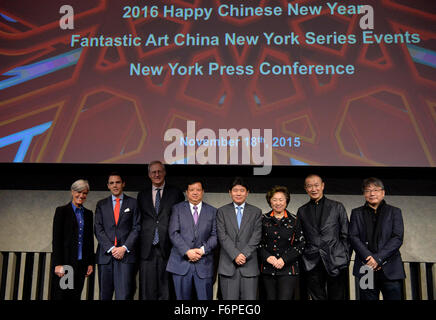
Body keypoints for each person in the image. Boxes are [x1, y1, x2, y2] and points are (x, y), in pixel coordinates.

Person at [350, 177, 405, 300]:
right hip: (366, 268)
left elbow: (397, 238)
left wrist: (378, 258)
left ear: (383, 192)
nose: (372, 193)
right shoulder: (356, 213)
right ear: (364, 194)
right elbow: (353, 237)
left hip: (390, 269)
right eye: (368, 190)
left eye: (375, 190)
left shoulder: (394, 212)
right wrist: (369, 258)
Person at [297, 174, 350, 300]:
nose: (313, 189)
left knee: (337, 297)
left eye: (316, 185)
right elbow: (300, 237)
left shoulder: (337, 206)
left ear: (322, 186)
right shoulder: (302, 211)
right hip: (311, 262)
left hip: (335, 260)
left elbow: (346, 235)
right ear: (305, 188)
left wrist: (344, 257)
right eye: (310, 186)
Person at [137, 160, 185, 300]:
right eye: (153, 172)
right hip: (147, 249)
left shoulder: (175, 193)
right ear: (149, 175)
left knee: (167, 291)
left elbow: (181, 220)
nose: (157, 174)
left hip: (168, 249)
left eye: (159, 171)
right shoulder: (142, 195)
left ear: (164, 173)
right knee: (147, 291)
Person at [166, 180, 217, 300]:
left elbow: (215, 235)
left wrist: (202, 250)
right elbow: (173, 233)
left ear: (203, 192)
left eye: (198, 190)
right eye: (192, 190)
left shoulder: (213, 211)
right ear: (186, 192)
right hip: (181, 264)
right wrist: (187, 251)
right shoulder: (177, 209)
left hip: (203, 264)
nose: (195, 193)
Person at [94, 173, 140, 300]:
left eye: (118, 182)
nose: (115, 185)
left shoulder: (133, 203)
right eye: (112, 183)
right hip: (106, 256)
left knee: (124, 295)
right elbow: (98, 229)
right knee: (105, 295)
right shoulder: (101, 204)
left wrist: (124, 248)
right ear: (108, 186)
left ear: (123, 184)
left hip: (125, 256)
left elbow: (137, 228)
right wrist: (111, 248)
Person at [216, 177, 262, 300]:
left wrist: (244, 255)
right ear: (230, 192)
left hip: (249, 265)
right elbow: (222, 236)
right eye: (235, 190)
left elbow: (256, 236)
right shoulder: (221, 212)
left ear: (247, 192)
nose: (238, 193)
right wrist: (235, 254)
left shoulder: (256, 212)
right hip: (228, 266)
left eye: (242, 190)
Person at [259, 186, 305, 300]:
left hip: (288, 269)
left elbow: (300, 244)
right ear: (270, 201)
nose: (278, 203)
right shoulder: (262, 219)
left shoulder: (295, 220)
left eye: (281, 199)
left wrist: (284, 259)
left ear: (286, 201)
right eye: (274, 199)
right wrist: (268, 257)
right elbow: (257, 243)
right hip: (267, 269)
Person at [51, 179, 94, 300]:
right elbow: (57, 239)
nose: (81, 195)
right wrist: (58, 264)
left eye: (85, 193)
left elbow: (89, 240)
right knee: (64, 297)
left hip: (81, 264)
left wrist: (90, 262)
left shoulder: (88, 214)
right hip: (66, 264)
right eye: (79, 192)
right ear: (72, 192)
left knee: (76, 297)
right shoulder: (62, 211)